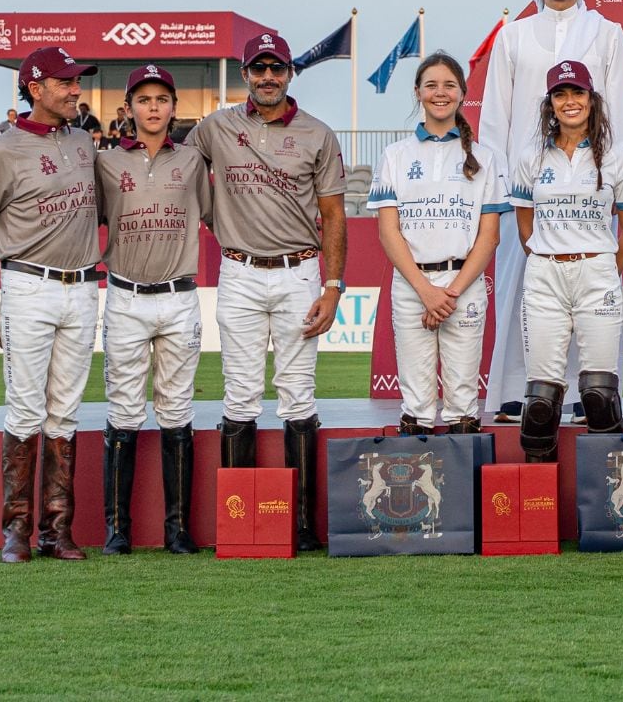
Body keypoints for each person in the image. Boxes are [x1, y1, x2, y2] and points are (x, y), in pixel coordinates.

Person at [188, 31, 347, 552]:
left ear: (290, 73)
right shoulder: (217, 126)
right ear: (245, 74)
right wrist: (213, 219)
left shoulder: (318, 134)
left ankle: (299, 523)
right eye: (258, 69)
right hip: (239, 272)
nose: (268, 77)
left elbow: (332, 215)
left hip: (300, 271)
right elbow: (180, 173)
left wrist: (333, 283)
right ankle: (242, 522)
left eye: (276, 68)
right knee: (240, 392)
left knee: (298, 394)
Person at [477, 0, 623, 426]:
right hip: (525, 192)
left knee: (591, 303)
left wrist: (610, 178)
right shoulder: (514, 35)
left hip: (588, 189)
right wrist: (504, 194)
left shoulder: (607, 32)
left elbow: (622, 118)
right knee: (522, 292)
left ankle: (587, 399)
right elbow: (494, 120)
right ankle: (515, 394)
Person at [0, 46, 103, 562]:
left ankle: (57, 530)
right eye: (66, 82)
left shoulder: (86, 142)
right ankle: (16, 531)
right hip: (28, 286)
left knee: (65, 412)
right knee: (26, 407)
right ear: (35, 88)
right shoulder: (4, 149)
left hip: (83, 287)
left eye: (76, 82)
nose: (75, 89)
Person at [94, 65, 211, 555]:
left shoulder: (192, 162)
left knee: (176, 410)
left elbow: (212, 216)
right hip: (125, 297)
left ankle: (177, 529)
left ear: (173, 107)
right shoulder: (103, 163)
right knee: (123, 411)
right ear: (129, 109)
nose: (154, 107)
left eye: (162, 99)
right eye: (144, 100)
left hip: (179, 297)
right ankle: (117, 528)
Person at [509, 60, 623, 462]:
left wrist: (602, 268)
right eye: (560, 94)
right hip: (546, 274)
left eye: (577, 93)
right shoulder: (530, 157)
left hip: (597, 272)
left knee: (599, 395)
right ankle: (539, 499)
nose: (570, 101)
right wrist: (553, 259)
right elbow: (525, 229)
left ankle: (609, 494)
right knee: (540, 401)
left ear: (591, 99)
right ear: (550, 104)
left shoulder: (616, 158)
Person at [369, 53, 505, 437]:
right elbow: (388, 233)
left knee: (463, 401)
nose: (440, 93)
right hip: (414, 286)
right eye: (431, 85)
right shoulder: (395, 155)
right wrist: (427, 291)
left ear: (462, 93)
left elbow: (489, 236)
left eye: (449, 85)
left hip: (463, 284)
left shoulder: (484, 157)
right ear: (417, 92)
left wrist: (450, 292)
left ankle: (465, 492)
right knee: (416, 404)